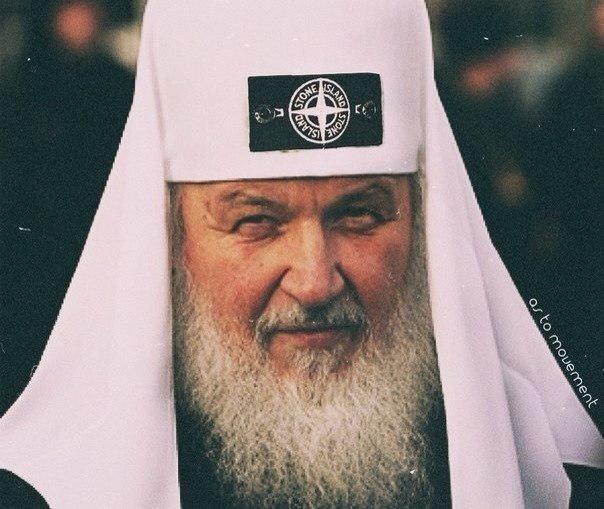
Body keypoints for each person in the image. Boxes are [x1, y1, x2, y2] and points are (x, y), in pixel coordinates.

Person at [0, 1, 601, 507]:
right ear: (170, 238)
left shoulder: (563, 483)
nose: (315, 282)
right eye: (256, 222)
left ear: (424, 222)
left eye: (360, 215)